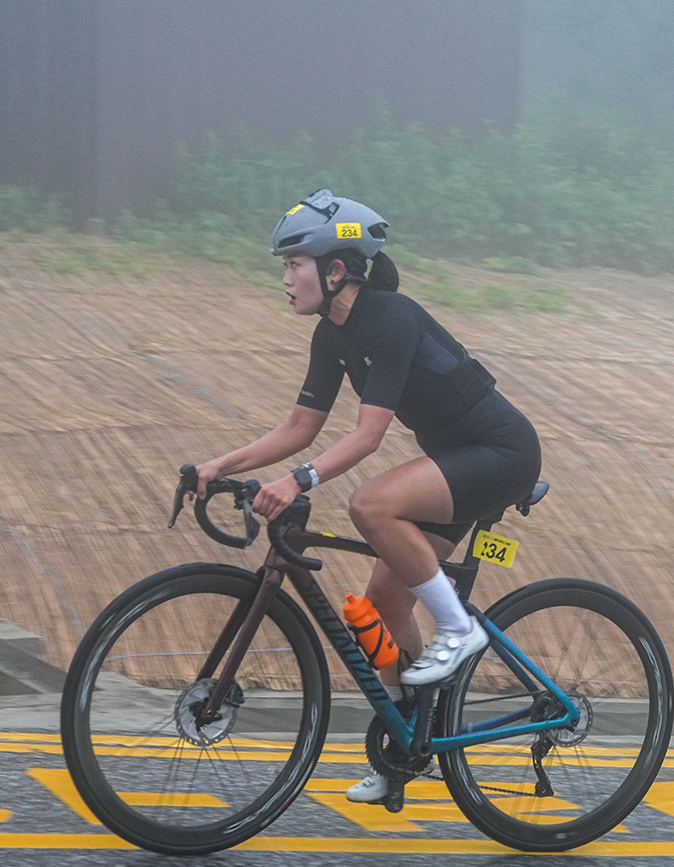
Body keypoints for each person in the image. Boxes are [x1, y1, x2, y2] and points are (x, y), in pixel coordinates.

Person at [189, 189, 541, 803]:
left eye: (294, 264)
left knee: (371, 505)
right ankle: (409, 744)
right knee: (382, 603)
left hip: (500, 452)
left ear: (335, 270)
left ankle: (458, 627)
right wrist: (219, 465)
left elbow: (368, 435)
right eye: (285, 266)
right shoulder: (331, 336)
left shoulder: (392, 318)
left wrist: (297, 481)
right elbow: (299, 428)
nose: (285, 279)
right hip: (454, 462)